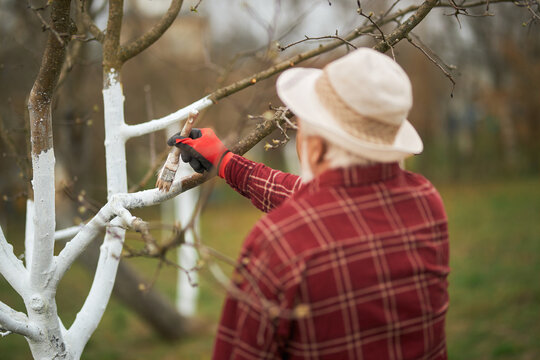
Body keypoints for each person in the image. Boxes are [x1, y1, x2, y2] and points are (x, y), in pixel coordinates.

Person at [168, 48, 450, 360]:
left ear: (315, 150)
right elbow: (316, 199)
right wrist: (225, 162)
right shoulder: (426, 203)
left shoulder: (278, 244)